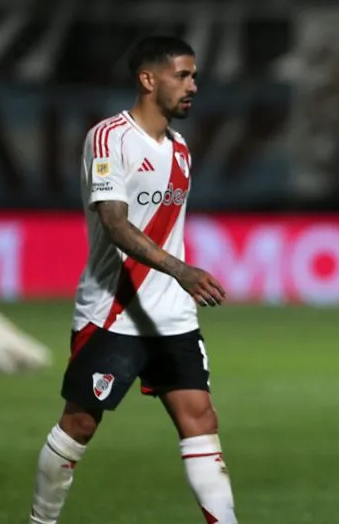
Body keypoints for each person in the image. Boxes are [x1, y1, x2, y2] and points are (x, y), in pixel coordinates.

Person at [27, 36, 236, 524]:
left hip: (172, 316)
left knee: (201, 420)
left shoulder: (181, 149)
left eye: (194, 75)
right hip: (112, 313)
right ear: (148, 79)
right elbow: (114, 222)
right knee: (79, 423)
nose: (193, 86)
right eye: (182, 75)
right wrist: (181, 269)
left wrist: (177, 281)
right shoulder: (109, 139)